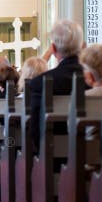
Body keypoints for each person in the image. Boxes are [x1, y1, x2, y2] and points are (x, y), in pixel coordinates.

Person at [26, 19, 84, 152]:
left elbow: (35, 130)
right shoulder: (94, 79)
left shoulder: (39, 82)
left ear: (53, 49)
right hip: (93, 156)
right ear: (81, 46)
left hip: (51, 156)